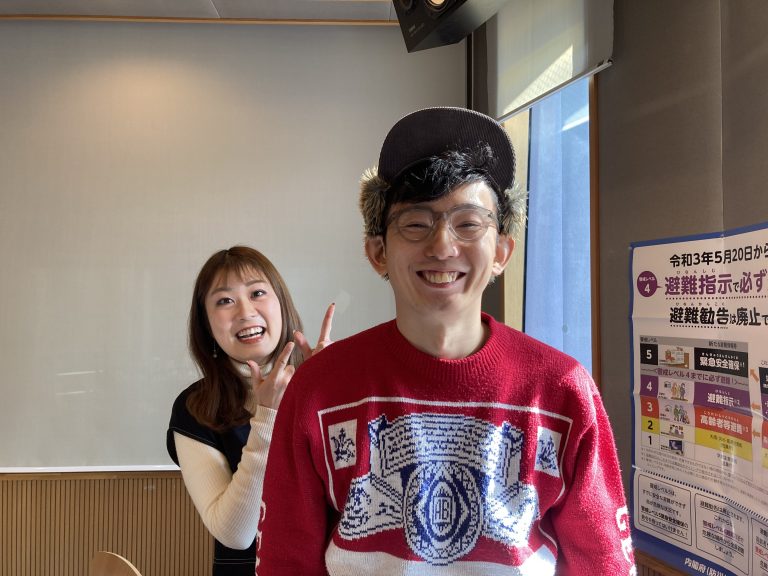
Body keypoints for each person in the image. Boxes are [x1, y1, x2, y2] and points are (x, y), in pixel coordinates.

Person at [256, 107, 635, 575]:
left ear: (502, 251)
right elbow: (285, 563)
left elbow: (603, 564)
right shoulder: (318, 390)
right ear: (377, 252)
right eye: (416, 223)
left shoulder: (561, 390)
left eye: (468, 224)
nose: (441, 246)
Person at [166, 246, 334, 576]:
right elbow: (236, 535)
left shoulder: (327, 386)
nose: (245, 311)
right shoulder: (196, 407)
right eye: (224, 300)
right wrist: (268, 416)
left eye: (257, 293)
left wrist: (325, 388)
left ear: (281, 304)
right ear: (207, 325)